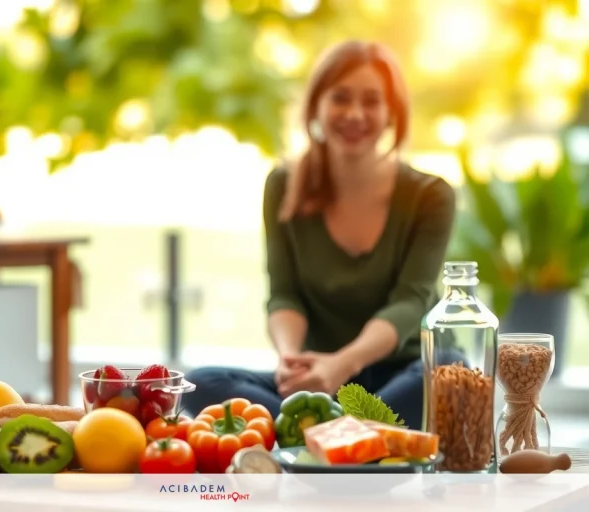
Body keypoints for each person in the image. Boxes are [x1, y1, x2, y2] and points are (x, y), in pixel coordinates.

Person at [181, 40, 459, 430]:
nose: (355, 114)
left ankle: (311, 433)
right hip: (317, 383)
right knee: (200, 382)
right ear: (316, 106)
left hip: (401, 373)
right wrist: (291, 361)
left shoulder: (430, 196)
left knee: (451, 369)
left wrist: (342, 364)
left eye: (371, 101)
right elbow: (284, 294)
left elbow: (411, 301)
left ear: (391, 112)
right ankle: (363, 437)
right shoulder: (282, 185)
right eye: (340, 98)